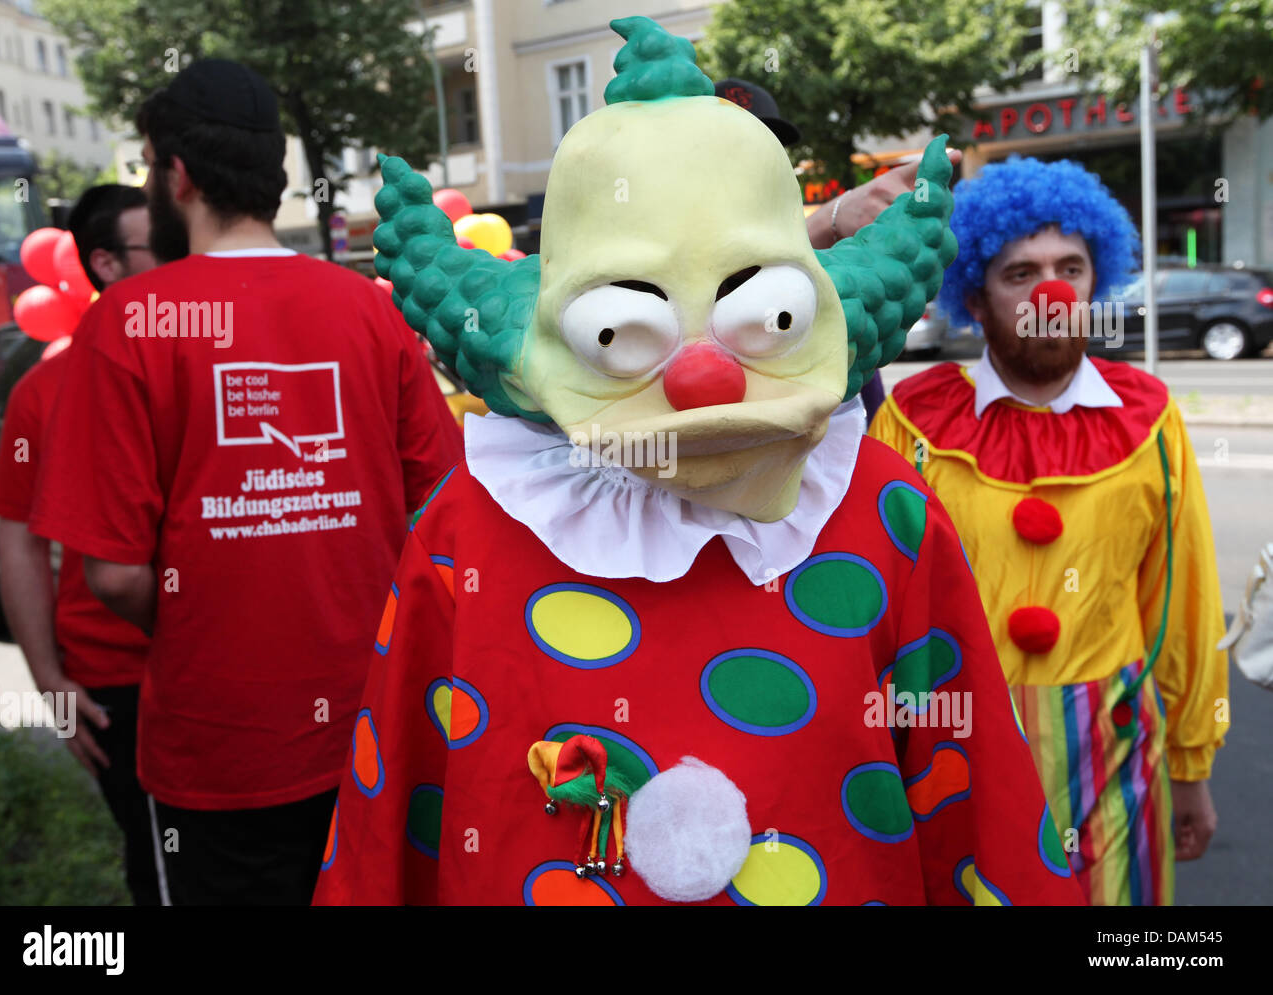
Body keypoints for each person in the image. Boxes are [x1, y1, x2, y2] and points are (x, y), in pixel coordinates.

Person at [313, 17, 1084, 907]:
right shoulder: (469, 526)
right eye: (621, 326)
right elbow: (400, 798)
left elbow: (968, 782)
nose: (700, 379)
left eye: (758, 315)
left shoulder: (881, 509)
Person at [29, 59, 463, 905]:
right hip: (375, 728)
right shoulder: (369, 307)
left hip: (218, 751)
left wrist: (210, 610)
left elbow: (112, 573)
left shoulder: (127, 321)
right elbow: (446, 505)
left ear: (177, 175)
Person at [869, 155, 1229, 905]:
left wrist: (1191, 766)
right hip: (961, 745)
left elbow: (1182, 600)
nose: (1051, 294)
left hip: (1114, 751)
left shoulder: (1149, 416)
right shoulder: (914, 418)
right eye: (1020, 273)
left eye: (1071, 266)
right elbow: (884, 611)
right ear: (976, 292)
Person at [0, 184, 160, 904]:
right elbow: (19, 544)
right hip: (113, 686)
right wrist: (53, 690)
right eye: (161, 246)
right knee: (155, 867)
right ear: (105, 263)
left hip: (224, 673)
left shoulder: (215, 361)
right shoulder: (46, 387)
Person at [713, 78, 962, 425]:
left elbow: (865, 435)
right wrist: (828, 219)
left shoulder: (839, 308)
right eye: (725, 148)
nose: (752, 169)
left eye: (768, 149)